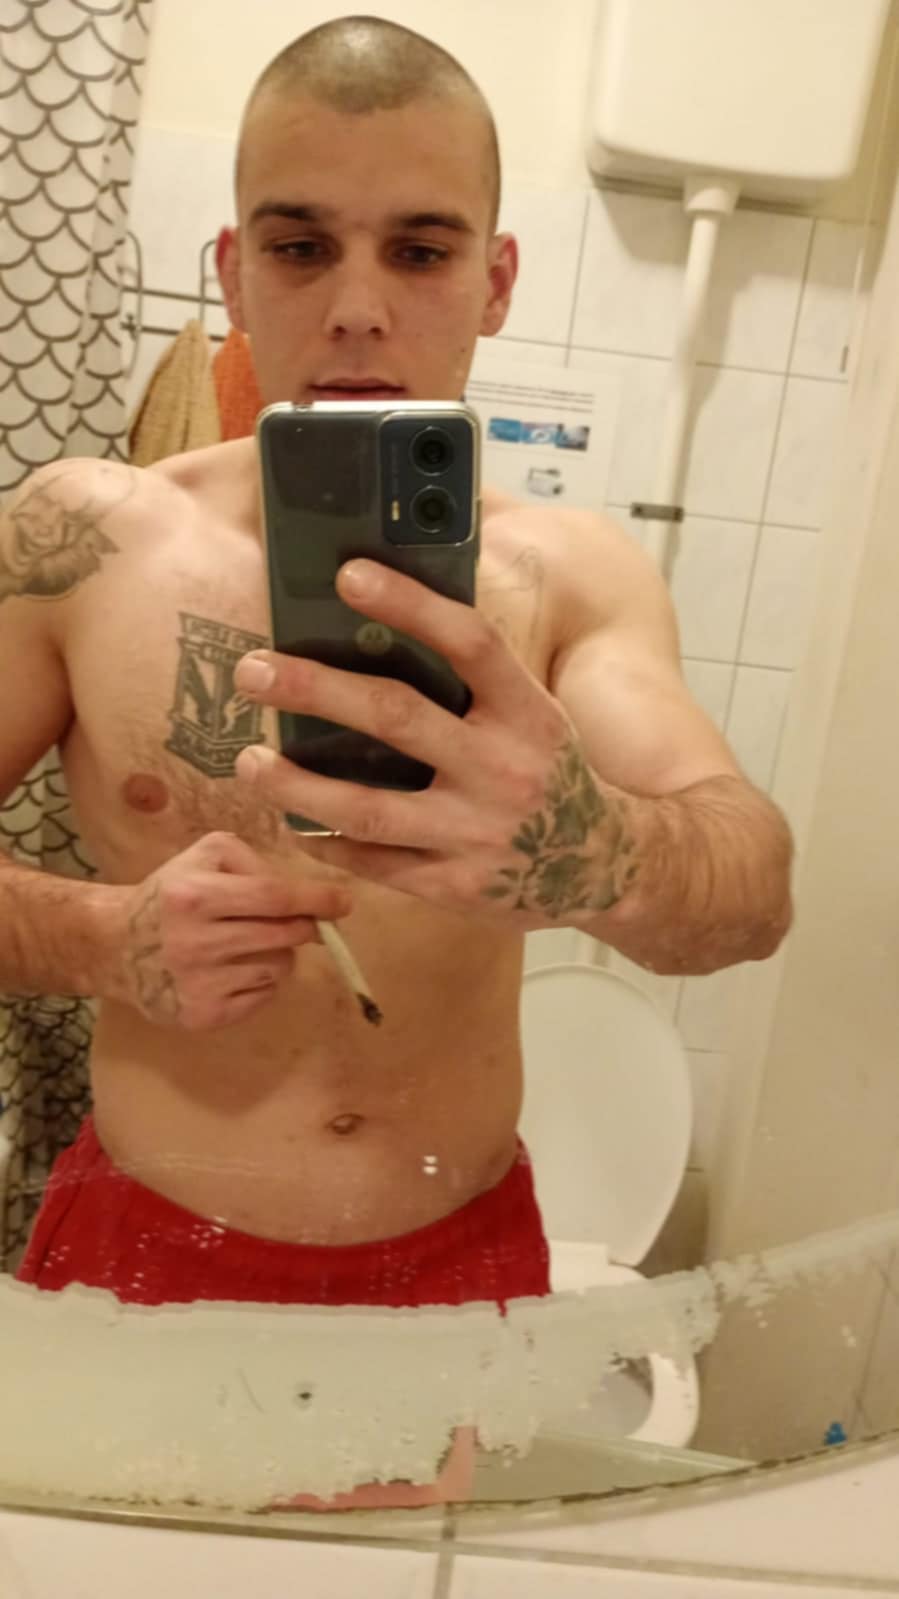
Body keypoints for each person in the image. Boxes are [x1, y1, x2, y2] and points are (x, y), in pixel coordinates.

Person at [1, 15, 792, 1504]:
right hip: (139, 1251)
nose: (358, 308)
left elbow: (749, 893)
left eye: (420, 251)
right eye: (301, 247)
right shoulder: (82, 539)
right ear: (232, 271)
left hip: (450, 1274)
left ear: (495, 280)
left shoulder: (573, 579)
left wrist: (596, 849)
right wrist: (104, 937)